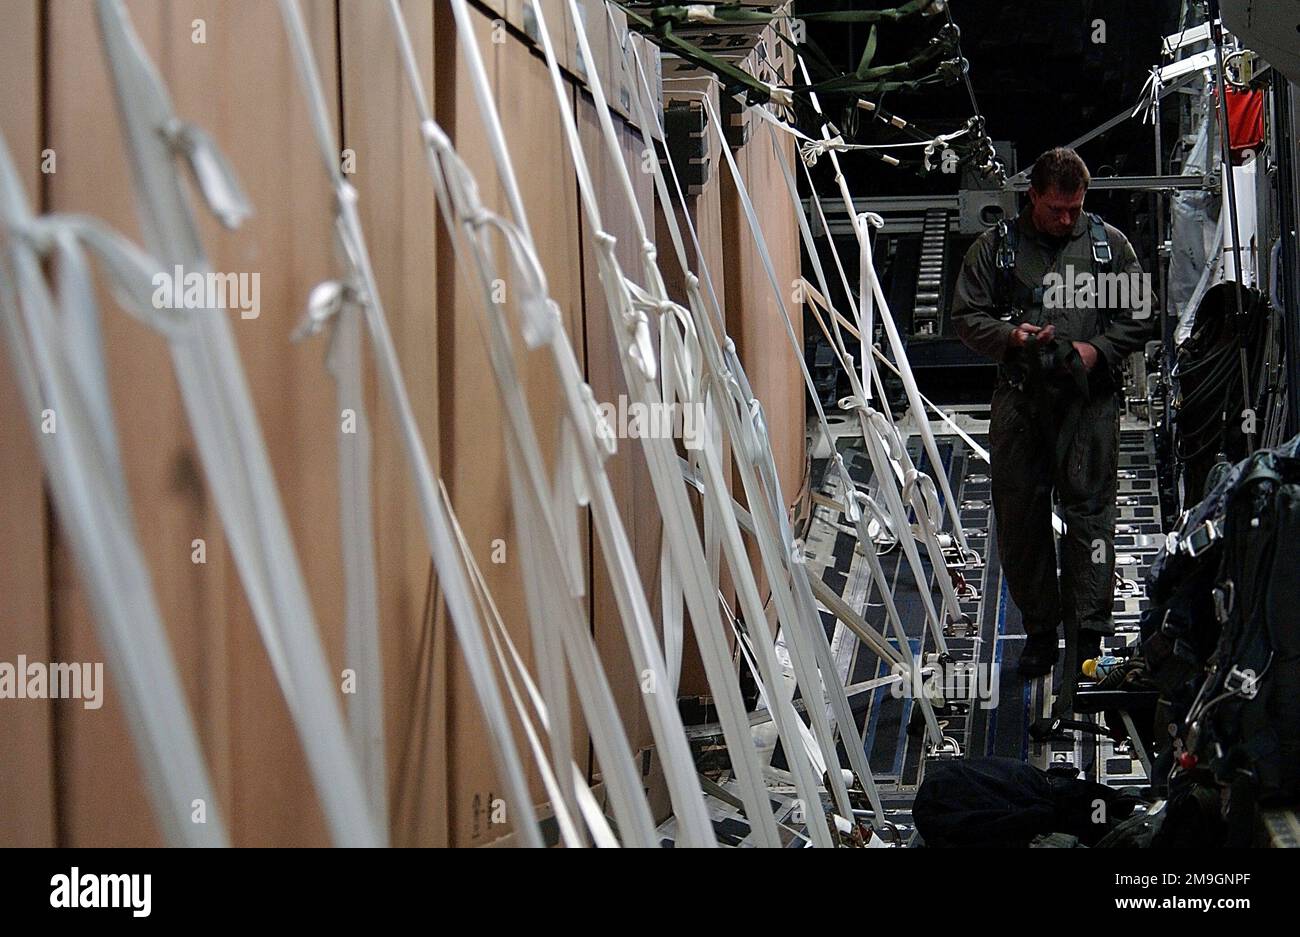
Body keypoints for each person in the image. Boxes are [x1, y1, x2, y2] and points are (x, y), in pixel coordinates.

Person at [952, 147, 1152, 676]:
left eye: (1074, 209)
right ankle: (1040, 632)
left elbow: (1140, 316)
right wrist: (1011, 336)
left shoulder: (1109, 248)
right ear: (1032, 196)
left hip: (1088, 403)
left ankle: (1087, 633)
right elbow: (966, 315)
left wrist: (1098, 350)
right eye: (1055, 210)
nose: (1066, 220)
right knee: (1021, 518)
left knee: (1092, 518)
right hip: (1022, 401)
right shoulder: (997, 250)